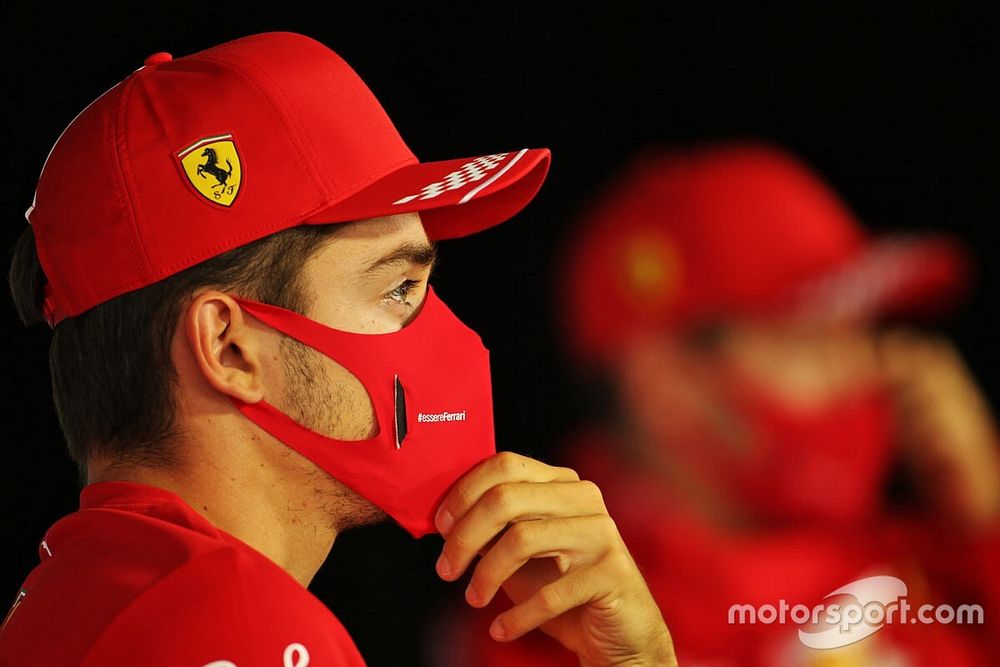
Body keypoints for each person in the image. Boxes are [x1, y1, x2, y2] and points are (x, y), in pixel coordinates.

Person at [0, 32, 675, 666]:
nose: (450, 335)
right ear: (230, 348)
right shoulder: (240, 623)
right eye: (399, 287)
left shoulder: (82, 596)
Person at [445, 143, 1000, 665]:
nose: (870, 373)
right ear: (666, 384)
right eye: (809, 340)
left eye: (861, 334)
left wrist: (986, 524)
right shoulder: (538, 620)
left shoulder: (935, 557)